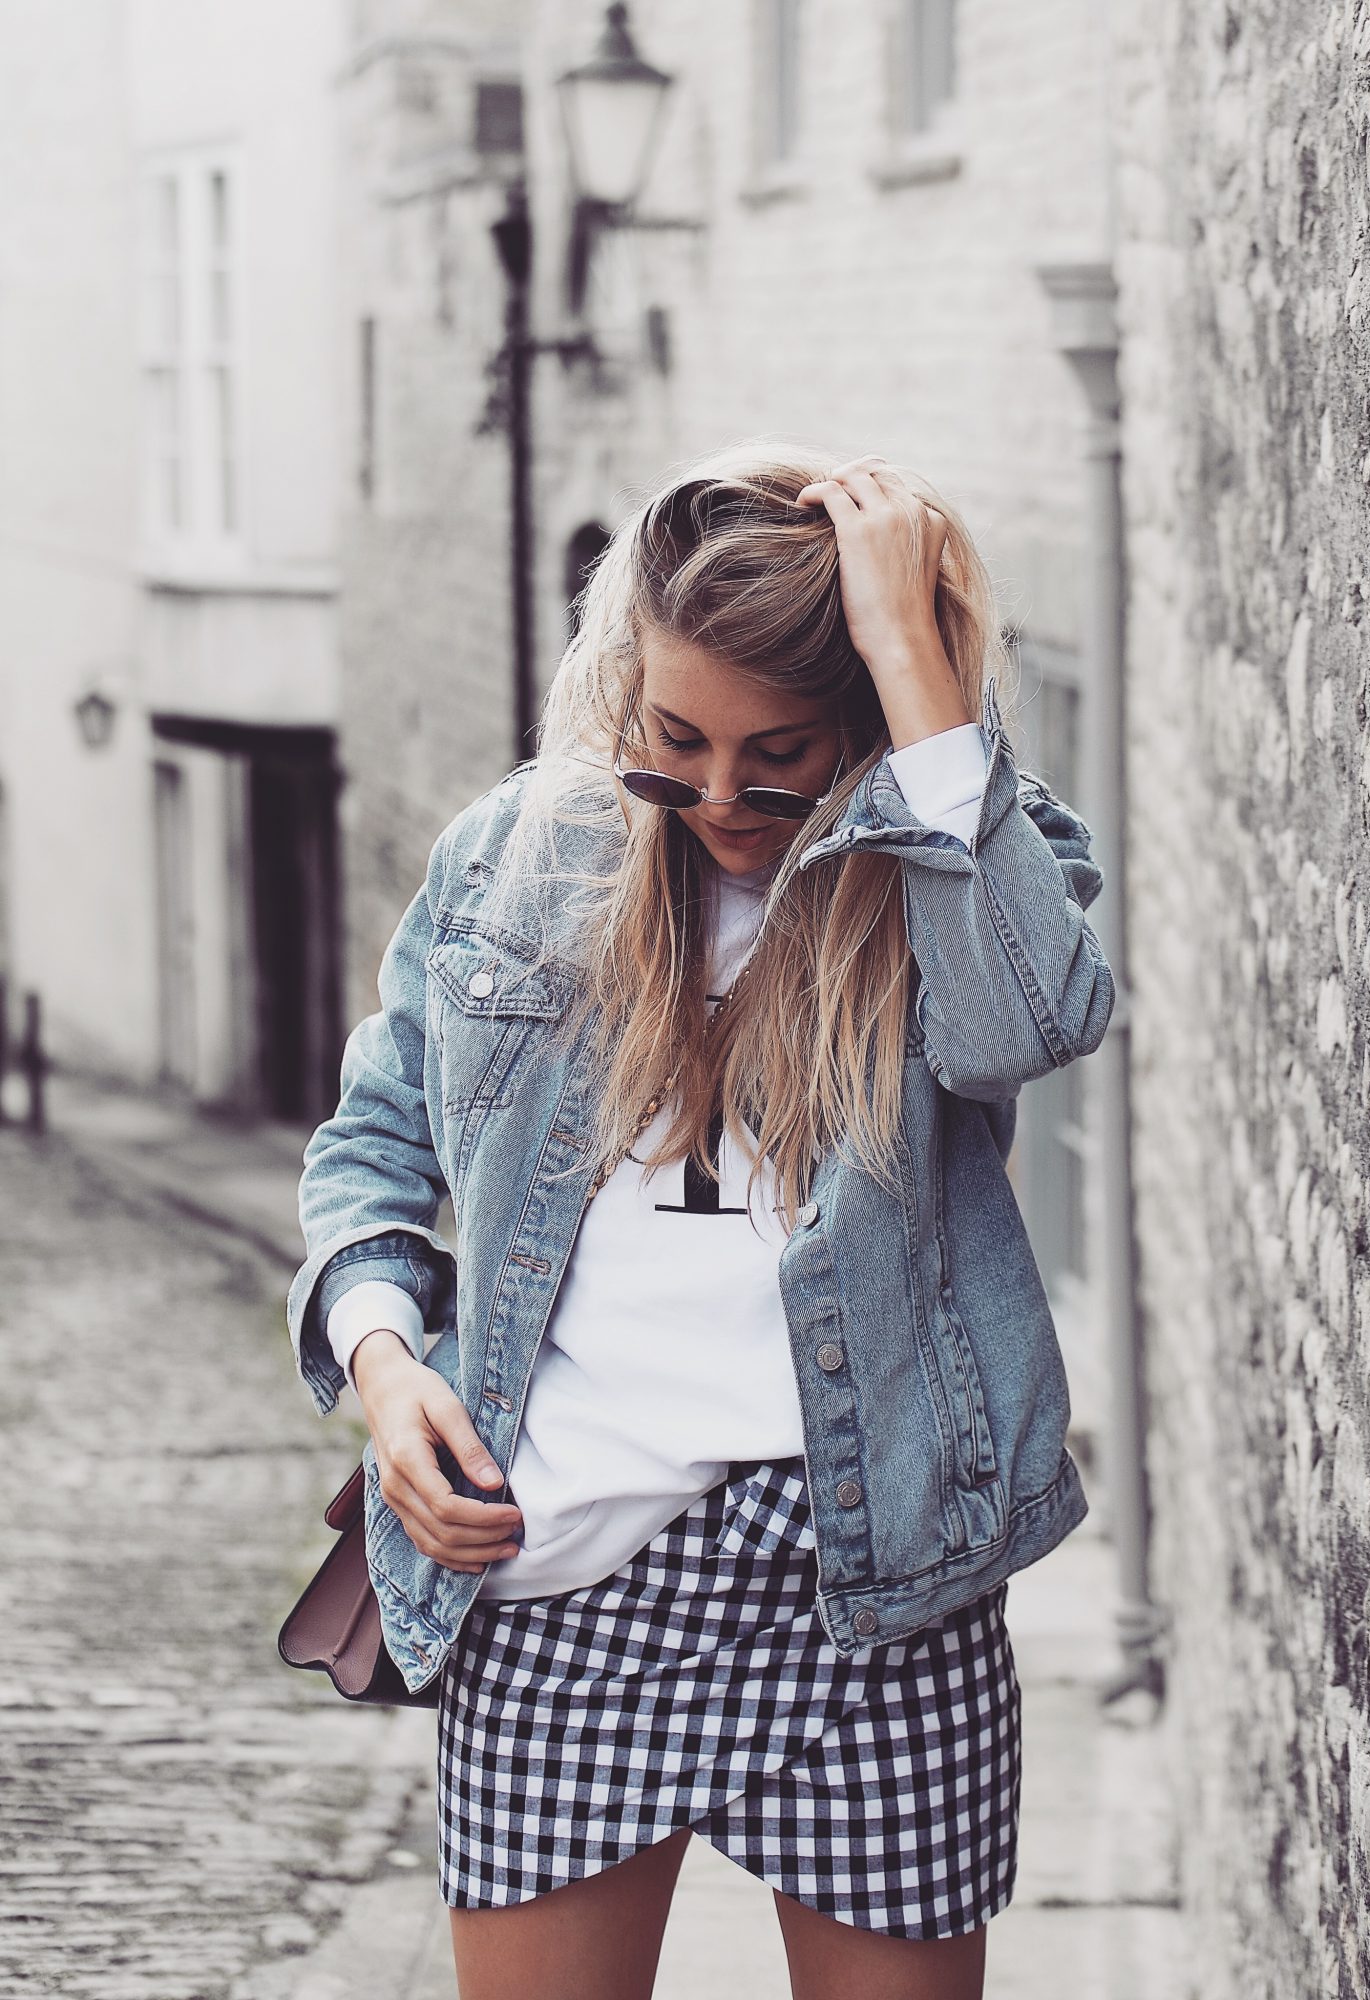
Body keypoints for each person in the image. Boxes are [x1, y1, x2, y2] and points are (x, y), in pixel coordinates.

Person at [286, 442, 1115, 2000]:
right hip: (566, 1567)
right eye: (676, 744)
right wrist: (389, 1370)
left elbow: (1026, 1024)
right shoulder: (524, 859)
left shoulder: (966, 854)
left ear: (865, 719)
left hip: (877, 1583)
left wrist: (918, 672)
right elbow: (375, 1144)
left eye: (782, 753)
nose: (723, 799)